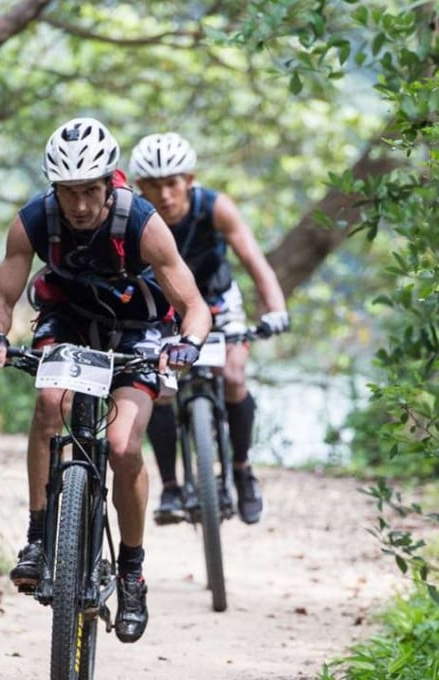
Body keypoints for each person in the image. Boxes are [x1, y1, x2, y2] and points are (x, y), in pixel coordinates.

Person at [0, 118, 212, 644]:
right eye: (67, 192)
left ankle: (131, 574)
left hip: (139, 328)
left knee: (123, 446)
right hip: (70, 320)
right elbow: (1, 298)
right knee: (49, 405)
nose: (79, 205)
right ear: (53, 188)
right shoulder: (34, 221)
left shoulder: (142, 222)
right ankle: (38, 538)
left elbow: (194, 305)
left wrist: (187, 343)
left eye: (89, 191)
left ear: (109, 183)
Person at [127, 132, 290, 526]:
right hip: (164, 310)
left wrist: (276, 309)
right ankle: (170, 487)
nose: (165, 194)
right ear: (140, 187)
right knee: (161, 389)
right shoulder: (135, 218)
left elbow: (255, 261)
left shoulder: (215, 207)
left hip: (218, 303)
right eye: (154, 186)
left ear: (189, 179)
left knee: (233, 376)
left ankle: (242, 470)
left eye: (172, 183)